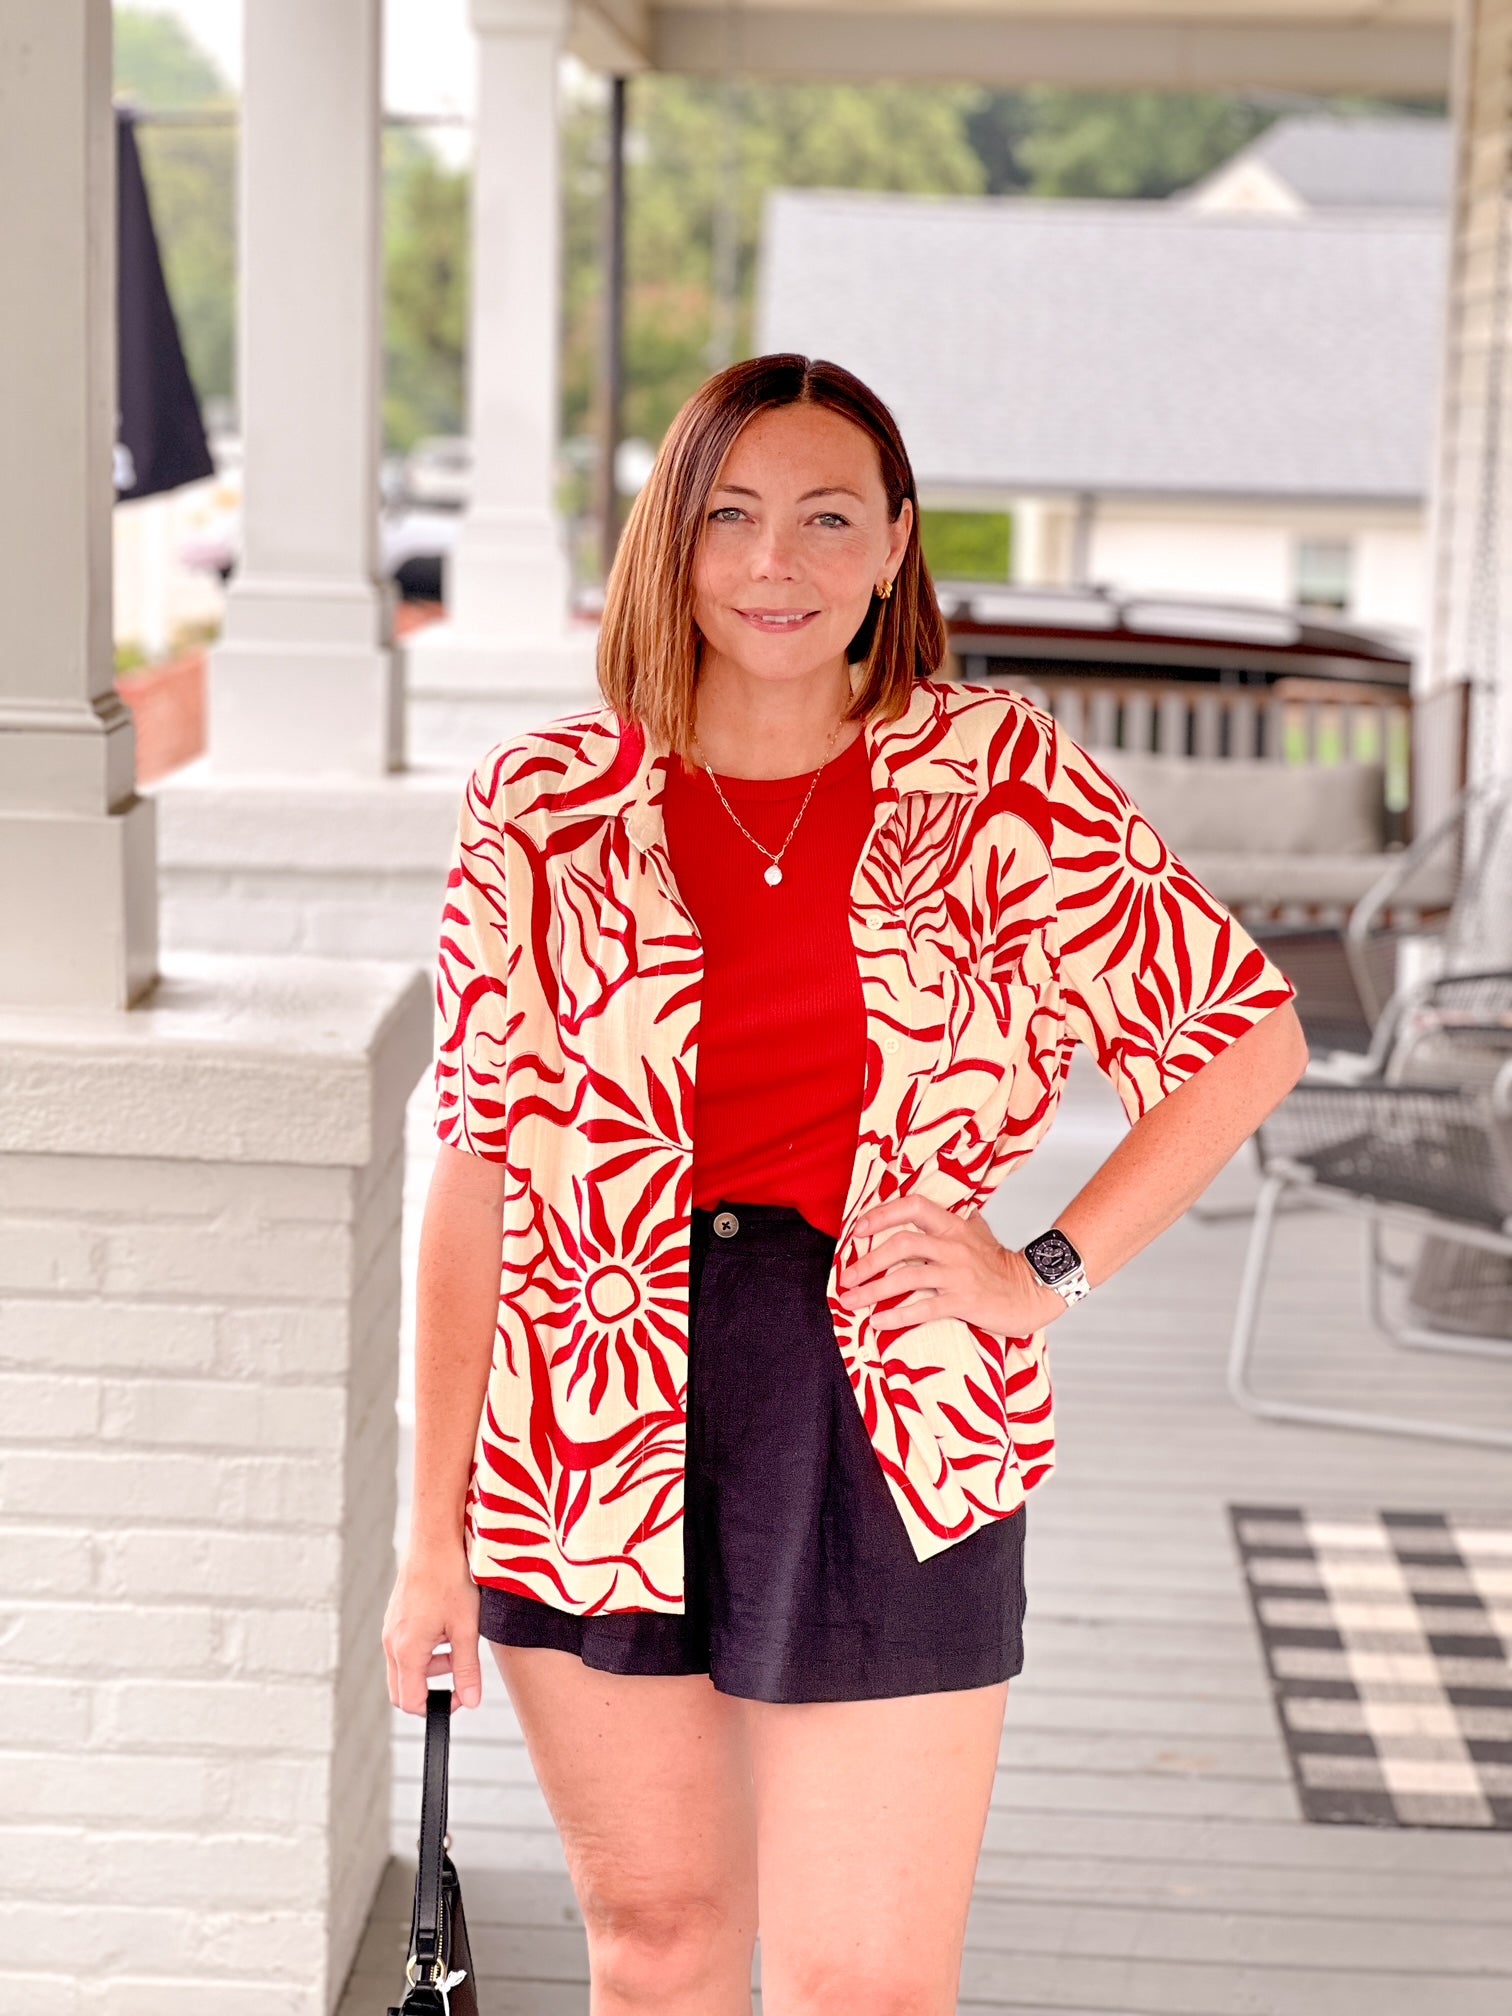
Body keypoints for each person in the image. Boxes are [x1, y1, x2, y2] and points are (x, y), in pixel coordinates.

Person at [383, 353, 1308, 2014]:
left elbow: (1241, 1036)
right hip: (586, 1418)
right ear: (671, 543)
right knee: (657, 1950)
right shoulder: (542, 804)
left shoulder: (1000, 778)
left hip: (894, 1411)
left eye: (825, 519)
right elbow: (475, 1173)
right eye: (729, 517)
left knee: (858, 1985)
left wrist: (1042, 1270)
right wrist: (427, 1531)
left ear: (895, 544)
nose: (774, 564)